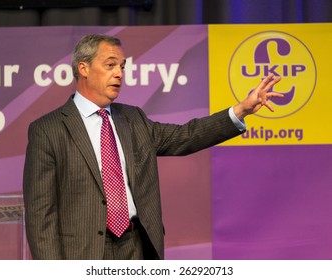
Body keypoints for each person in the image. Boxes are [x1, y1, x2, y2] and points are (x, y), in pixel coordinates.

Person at [23, 34, 282, 260]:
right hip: (81, 254)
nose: (119, 73)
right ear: (84, 68)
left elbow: (186, 136)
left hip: (136, 249)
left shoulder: (133, 119)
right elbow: (40, 213)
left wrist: (240, 111)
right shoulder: (48, 130)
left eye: (122, 67)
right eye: (110, 65)